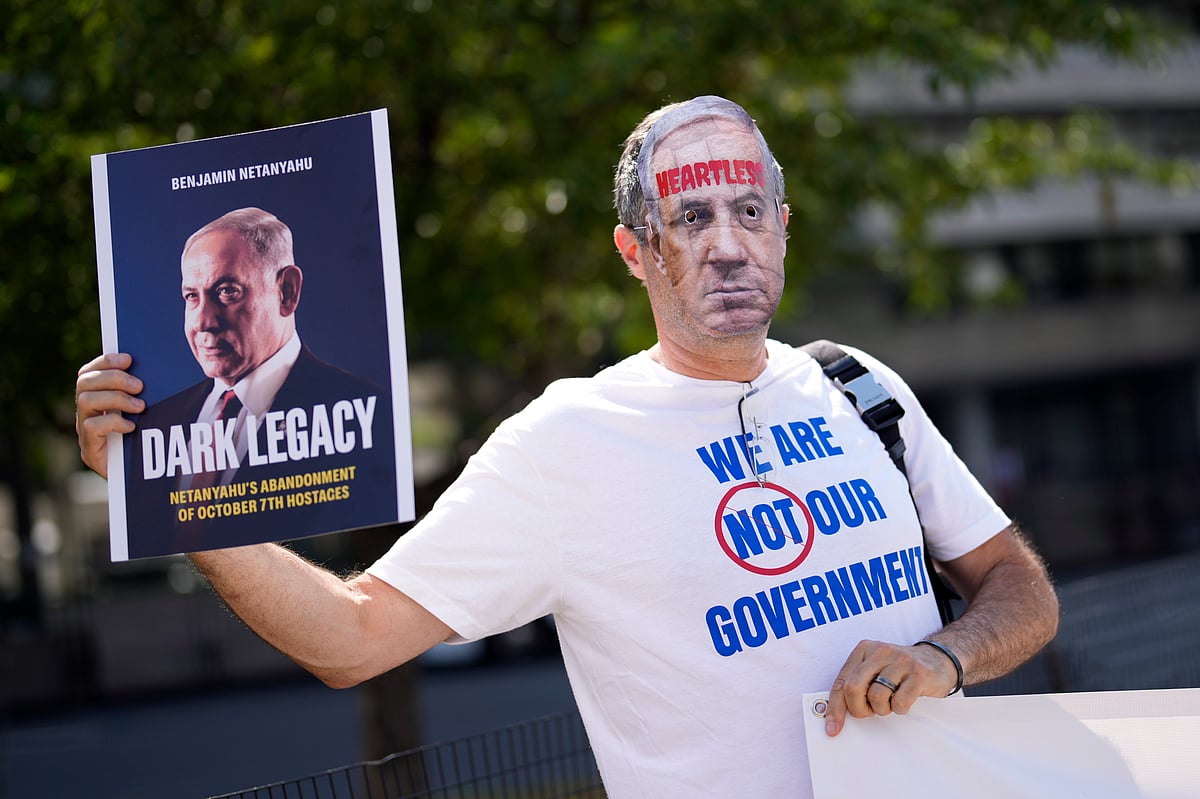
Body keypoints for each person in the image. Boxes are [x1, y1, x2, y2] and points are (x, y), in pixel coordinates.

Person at [76, 96, 1058, 797]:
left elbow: (1019, 586)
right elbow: (352, 636)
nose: (727, 244)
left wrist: (944, 655)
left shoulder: (860, 385)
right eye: (690, 217)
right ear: (635, 249)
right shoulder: (565, 442)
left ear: (784, 230)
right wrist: (159, 488)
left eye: (750, 211)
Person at [120, 207, 396, 558]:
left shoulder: (367, 414)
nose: (203, 321)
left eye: (227, 291)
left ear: (287, 291)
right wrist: (112, 464)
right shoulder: (157, 424)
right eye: (192, 297)